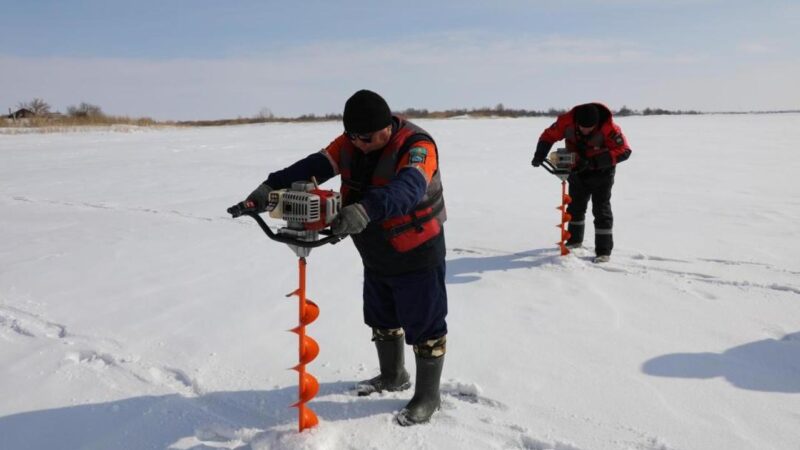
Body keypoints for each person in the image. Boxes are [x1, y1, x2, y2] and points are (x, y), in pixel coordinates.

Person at [240, 89, 448, 426]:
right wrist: (270, 186)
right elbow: (315, 165)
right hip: (374, 248)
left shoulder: (418, 147)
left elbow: (408, 188)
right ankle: (393, 375)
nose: (359, 144)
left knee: (426, 325)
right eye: (353, 137)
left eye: (366, 137)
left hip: (417, 250)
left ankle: (428, 396)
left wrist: (365, 208)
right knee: (381, 316)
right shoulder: (352, 142)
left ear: (387, 128)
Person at [531, 103, 632, 263]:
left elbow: (624, 151)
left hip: (602, 172)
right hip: (577, 169)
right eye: (582, 127)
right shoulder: (566, 122)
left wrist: (594, 162)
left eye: (589, 128)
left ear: (597, 124)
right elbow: (548, 136)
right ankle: (574, 241)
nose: (585, 130)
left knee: (601, 209)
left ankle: (603, 251)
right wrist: (539, 154)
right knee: (575, 206)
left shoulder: (610, 128)